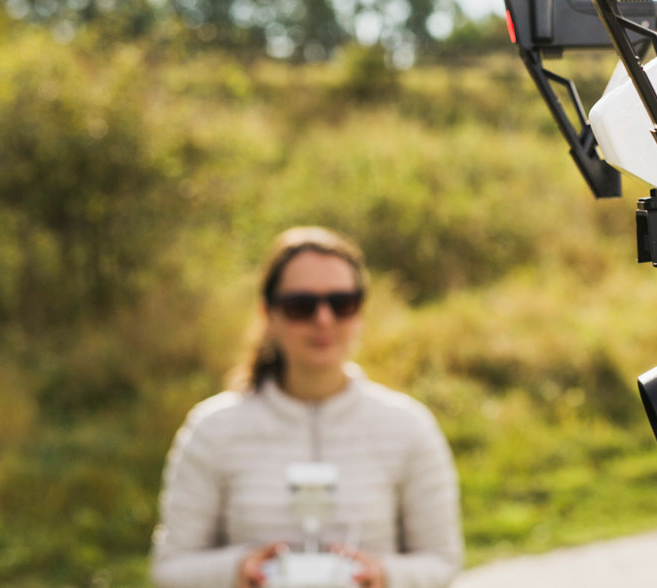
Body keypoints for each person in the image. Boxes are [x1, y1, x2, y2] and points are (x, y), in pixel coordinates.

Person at [151, 227, 463, 588]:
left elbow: (442, 562)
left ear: (360, 310)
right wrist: (239, 571)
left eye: (342, 302)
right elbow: (170, 570)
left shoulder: (409, 428)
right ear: (268, 313)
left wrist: (384, 576)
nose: (323, 319)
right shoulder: (212, 430)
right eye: (302, 305)